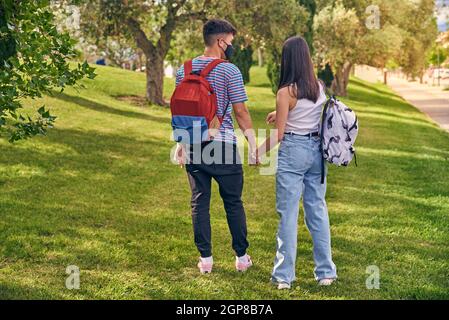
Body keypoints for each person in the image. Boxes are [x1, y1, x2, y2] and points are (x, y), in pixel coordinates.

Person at [174, 19, 258, 274]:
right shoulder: (229, 71)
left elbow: (183, 110)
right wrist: (253, 144)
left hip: (194, 145)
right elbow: (240, 112)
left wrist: (181, 143)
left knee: (199, 202)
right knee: (233, 202)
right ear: (221, 41)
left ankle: (206, 261)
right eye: (231, 42)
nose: (232, 46)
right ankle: (242, 258)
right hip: (222, 145)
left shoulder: (183, 69)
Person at [257, 36, 337, 289]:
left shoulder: (285, 92)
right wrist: (279, 113)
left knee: (288, 215)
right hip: (317, 152)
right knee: (317, 211)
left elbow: (279, 134)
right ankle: (326, 273)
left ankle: (284, 277)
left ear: (287, 60)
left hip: (294, 151)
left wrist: (258, 151)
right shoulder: (319, 87)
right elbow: (308, 115)